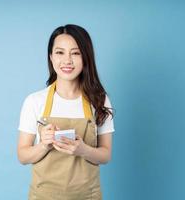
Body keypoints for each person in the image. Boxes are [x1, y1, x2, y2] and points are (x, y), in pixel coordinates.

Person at [17, 24, 115, 200]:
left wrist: (83, 150)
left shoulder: (99, 100)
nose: (67, 60)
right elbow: (23, 156)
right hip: (43, 196)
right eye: (60, 52)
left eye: (75, 53)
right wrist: (44, 145)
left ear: (86, 57)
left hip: (88, 196)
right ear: (51, 57)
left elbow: (106, 155)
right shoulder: (34, 101)